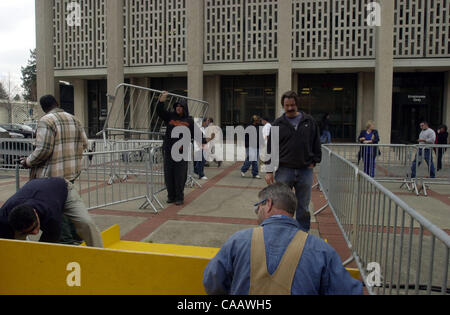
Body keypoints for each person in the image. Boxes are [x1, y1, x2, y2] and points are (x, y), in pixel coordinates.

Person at [203, 183, 363, 295]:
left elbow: (212, 281)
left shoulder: (238, 241)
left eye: (257, 206)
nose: (257, 211)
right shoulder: (321, 250)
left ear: (269, 204)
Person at [20, 94, 89, 244]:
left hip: (52, 174)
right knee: (70, 204)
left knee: (58, 208)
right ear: (56, 103)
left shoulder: (46, 120)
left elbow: (43, 150)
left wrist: (27, 161)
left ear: (44, 108)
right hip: (71, 170)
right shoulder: (74, 119)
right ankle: (76, 236)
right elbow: (85, 143)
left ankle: (65, 240)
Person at [265, 91, 321, 232]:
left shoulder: (309, 121)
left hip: (305, 171)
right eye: (287, 105)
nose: (290, 108)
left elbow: (316, 142)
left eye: (292, 105)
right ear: (283, 106)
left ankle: (302, 234)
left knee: (303, 206)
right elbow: (271, 148)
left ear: (297, 104)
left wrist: (315, 160)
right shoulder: (278, 124)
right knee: (281, 204)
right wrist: (269, 170)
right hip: (285, 170)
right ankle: (281, 231)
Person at [0, 177, 103, 247]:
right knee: (12, 241)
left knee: (86, 223)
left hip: (63, 189)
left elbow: (47, 245)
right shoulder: (3, 218)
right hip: (36, 189)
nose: (35, 233)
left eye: (34, 227)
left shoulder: (51, 215)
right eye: (28, 232)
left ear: (35, 213)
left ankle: (100, 256)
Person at [157, 91, 197, 206]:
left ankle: (179, 197)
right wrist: (161, 100)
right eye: (177, 106)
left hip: (181, 153)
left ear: (185, 108)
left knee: (180, 176)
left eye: (181, 106)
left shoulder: (189, 120)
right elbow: (159, 112)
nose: (179, 108)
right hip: (169, 151)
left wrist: (206, 141)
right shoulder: (170, 116)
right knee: (168, 174)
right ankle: (171, 196)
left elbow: (196, 134)